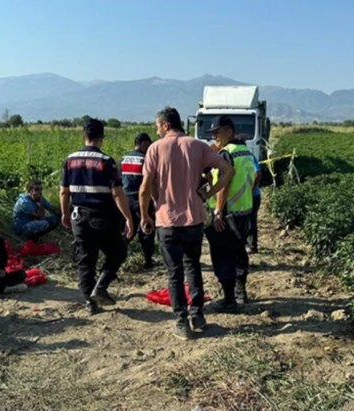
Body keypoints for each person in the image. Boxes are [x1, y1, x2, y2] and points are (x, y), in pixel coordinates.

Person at [139, 107, 234, 340]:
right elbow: (227, 170)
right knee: (193, 266)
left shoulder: (155, 148)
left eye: (157, 126)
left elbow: (144, 187)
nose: (157, 130)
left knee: (174, 272)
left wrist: (146, 214)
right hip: (193, 219)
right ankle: (198, 314)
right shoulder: (198, 146)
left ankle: (182, 321)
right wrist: (207, 194)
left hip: (166, 221)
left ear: (164, 125)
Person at [60, 118, 134, 315]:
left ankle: (89, 302)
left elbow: (64, 192)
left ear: (84, 136)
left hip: (79, 218)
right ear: (102, 138)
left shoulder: (69, 160)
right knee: (118, 251)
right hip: (104, 218)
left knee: (86, 259)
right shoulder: (107, 162)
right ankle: (100, 287)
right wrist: (128, 217)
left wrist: (65, 214)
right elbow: (118, 193)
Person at [204, 116, 256, 312]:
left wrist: (218, 210)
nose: (214, 137)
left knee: (223, 254)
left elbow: (224, 185)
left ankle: (228, 299)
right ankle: (240, 291)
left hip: (227, 213)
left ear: (228, 131)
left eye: (217, 132)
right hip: (245, 211)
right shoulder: (245, 152)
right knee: (239, 252)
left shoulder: (227, 154)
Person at [120, 133, 156, 268]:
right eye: (148, 144)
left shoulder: (122, 159)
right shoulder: (145, 159)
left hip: (125, 199)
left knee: (128, 229)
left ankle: (119, 258)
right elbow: (151, 183)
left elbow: (118, 181)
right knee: (147, 228)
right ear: (142, 143)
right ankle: (148, 260)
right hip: (141, 198)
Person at [246, 154, 262, 253]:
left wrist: (251, 190)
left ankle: (252, 246)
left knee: (250, 220)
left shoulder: (249, 157)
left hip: (253, 196)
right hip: (248, 196)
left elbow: (257, 173)